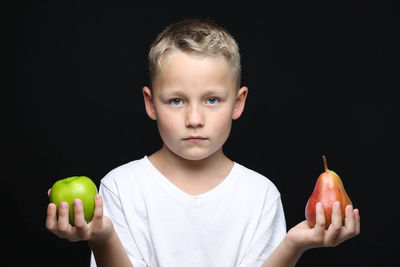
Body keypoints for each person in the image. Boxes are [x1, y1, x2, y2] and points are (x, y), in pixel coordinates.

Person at [45, 18, 360, 267]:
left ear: (238, 103)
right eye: (176, 101)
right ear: (150, 103)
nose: (194, 118)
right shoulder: (120, 187)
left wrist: (294, 244)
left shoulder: (260, 194)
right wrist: (102, 239)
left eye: (211, 99)